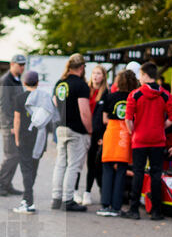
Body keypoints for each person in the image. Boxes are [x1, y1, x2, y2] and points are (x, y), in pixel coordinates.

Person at [123, 61, 172, 220]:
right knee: (156, 174)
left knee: (138, 173)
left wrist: (134, 132)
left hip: (139, 139)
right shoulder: (166, 95)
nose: (139, 78)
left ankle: (134, 210)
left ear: (145, 75)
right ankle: (156, 211)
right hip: (158, 140)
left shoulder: (135, 94)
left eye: (140, 75)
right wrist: (161, 126)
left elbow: (128, 119)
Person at [51, 53, 92, 212]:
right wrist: (89, 131)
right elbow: (84, 112)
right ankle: (68, 199)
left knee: (60, 163)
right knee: (73, 165)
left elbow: (55, 103)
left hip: (61, 127)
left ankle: (56, 197)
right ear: (82, 67)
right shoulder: (81, 85)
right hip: (76, 129)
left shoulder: (60, 83)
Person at [96, 69, 137, 217]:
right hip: (126, 134)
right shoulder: (133, 97)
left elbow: (104, 119)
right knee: (121, 170)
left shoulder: (110, 96)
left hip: (111, 133)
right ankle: (116, 207)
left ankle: (105, 204)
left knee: (107, 169)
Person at [12, 70, 48, 213]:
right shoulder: (44, 97)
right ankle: (27, 198)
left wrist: (16, 138)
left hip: (25, 137)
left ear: (24, 82)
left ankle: (29, 202)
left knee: (26, 169)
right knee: (33, 168)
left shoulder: (20, 98)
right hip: (40, 136)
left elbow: (17, 119)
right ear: (38, 83)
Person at [0, 54, 26, 197]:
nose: (22, 67)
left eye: (24, 64)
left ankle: (7, 184)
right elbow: (2, 103)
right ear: (12, 64)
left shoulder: (17, 80)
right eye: (20, 64)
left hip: (17, 123)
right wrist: (9, 125)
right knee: (11, 155)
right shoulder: (6, 80)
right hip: (10, 124)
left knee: (16, 155)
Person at [82, 64, 108, 205]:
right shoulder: (86, 90)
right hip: (84, 130)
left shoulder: (106, 93)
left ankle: (89, 191)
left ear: (103, 76)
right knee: (79, 163)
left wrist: (103, 136)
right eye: (94, 73)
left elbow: (104, 118)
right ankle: (74, 192)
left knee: (94, 163)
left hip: (97, 134)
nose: (95, 76)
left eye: (98, 73)